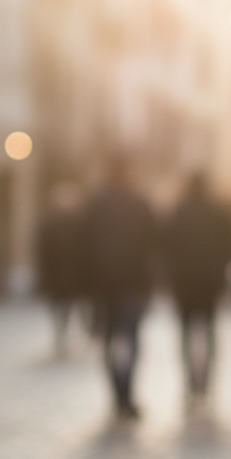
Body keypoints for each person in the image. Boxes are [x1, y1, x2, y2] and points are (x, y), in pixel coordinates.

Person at [81, 158, 156, 419]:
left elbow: (83, 244)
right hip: (133, 283)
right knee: (131, 338)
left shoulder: (95, 202)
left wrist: (87, 283)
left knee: (109, 339)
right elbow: (154, 241)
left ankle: (117, 395)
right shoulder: (139, 201)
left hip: (103, 285)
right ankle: (127, 394)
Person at [163, 173, 231, 405]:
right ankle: (205, 385)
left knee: (186, 335)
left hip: (184, 283)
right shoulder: (218, 212)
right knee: (209, 333)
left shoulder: (178, 211)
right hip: (209, 284)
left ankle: (190, 384)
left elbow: (165, 247)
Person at [36, 182, 85, 356]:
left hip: (63, 274)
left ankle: (61, 335)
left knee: (63, 306)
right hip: (62, 274)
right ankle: (61, 335)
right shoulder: (66, 224)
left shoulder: (71, 224)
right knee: (62, 306)